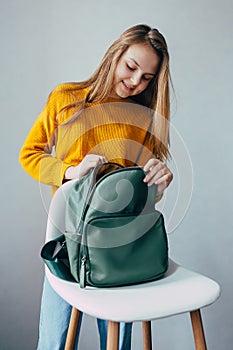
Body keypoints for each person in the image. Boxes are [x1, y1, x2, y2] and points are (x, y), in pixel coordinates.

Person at [19, 24, 173, 350]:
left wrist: (157, 183)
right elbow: (30, 155)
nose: (135, 82)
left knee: (117, 342)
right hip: (66, 238)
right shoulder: (66, 98)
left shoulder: (142, 117)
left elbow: (139, 195)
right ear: (114, 55)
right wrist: (70, 171)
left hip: (116, 242)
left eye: (147, 77)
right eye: (131, 67)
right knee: (54, 339)